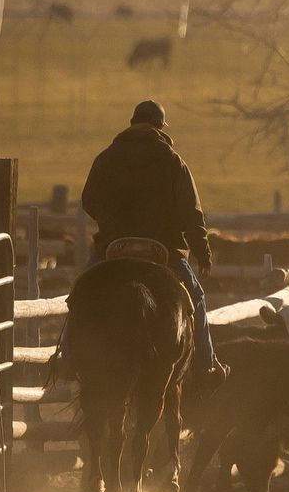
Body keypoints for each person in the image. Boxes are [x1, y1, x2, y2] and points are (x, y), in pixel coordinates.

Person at [79, 100, 225, 381]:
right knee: (196, 297)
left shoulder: (106, 157)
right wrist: (202, 254)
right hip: (163, 251)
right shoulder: (172, 161)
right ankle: (206, 365)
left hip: (114, 248)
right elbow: (192, 213)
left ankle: (68, 359)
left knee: (80, 295)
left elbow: (89, 201)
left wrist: (114, 222)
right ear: (160, 127)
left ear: (132, 122)